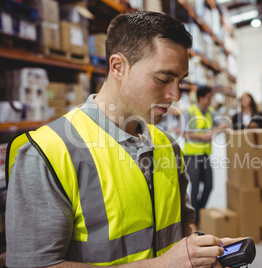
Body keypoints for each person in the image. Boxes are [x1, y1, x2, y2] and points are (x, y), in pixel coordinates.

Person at [5, 11, 239, 267]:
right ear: (118, 67)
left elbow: (184, 220)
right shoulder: (48, 153)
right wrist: (162, 265)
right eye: (163, 78)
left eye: (180, 81)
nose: (175, 95)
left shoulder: (167, 145)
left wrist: (197, 249)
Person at [181, 86, 227, 225]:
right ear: (201, 97)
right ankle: (195, 220)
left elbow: (224, 124)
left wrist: (213, 132)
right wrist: (203, 136)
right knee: (195, 187)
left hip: (206, 155)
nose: (210, 99)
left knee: (209, 185)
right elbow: (183, 132)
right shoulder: (188, 112)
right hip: (192, 155)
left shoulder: (211, 111)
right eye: (208, 97)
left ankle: (199, 212)